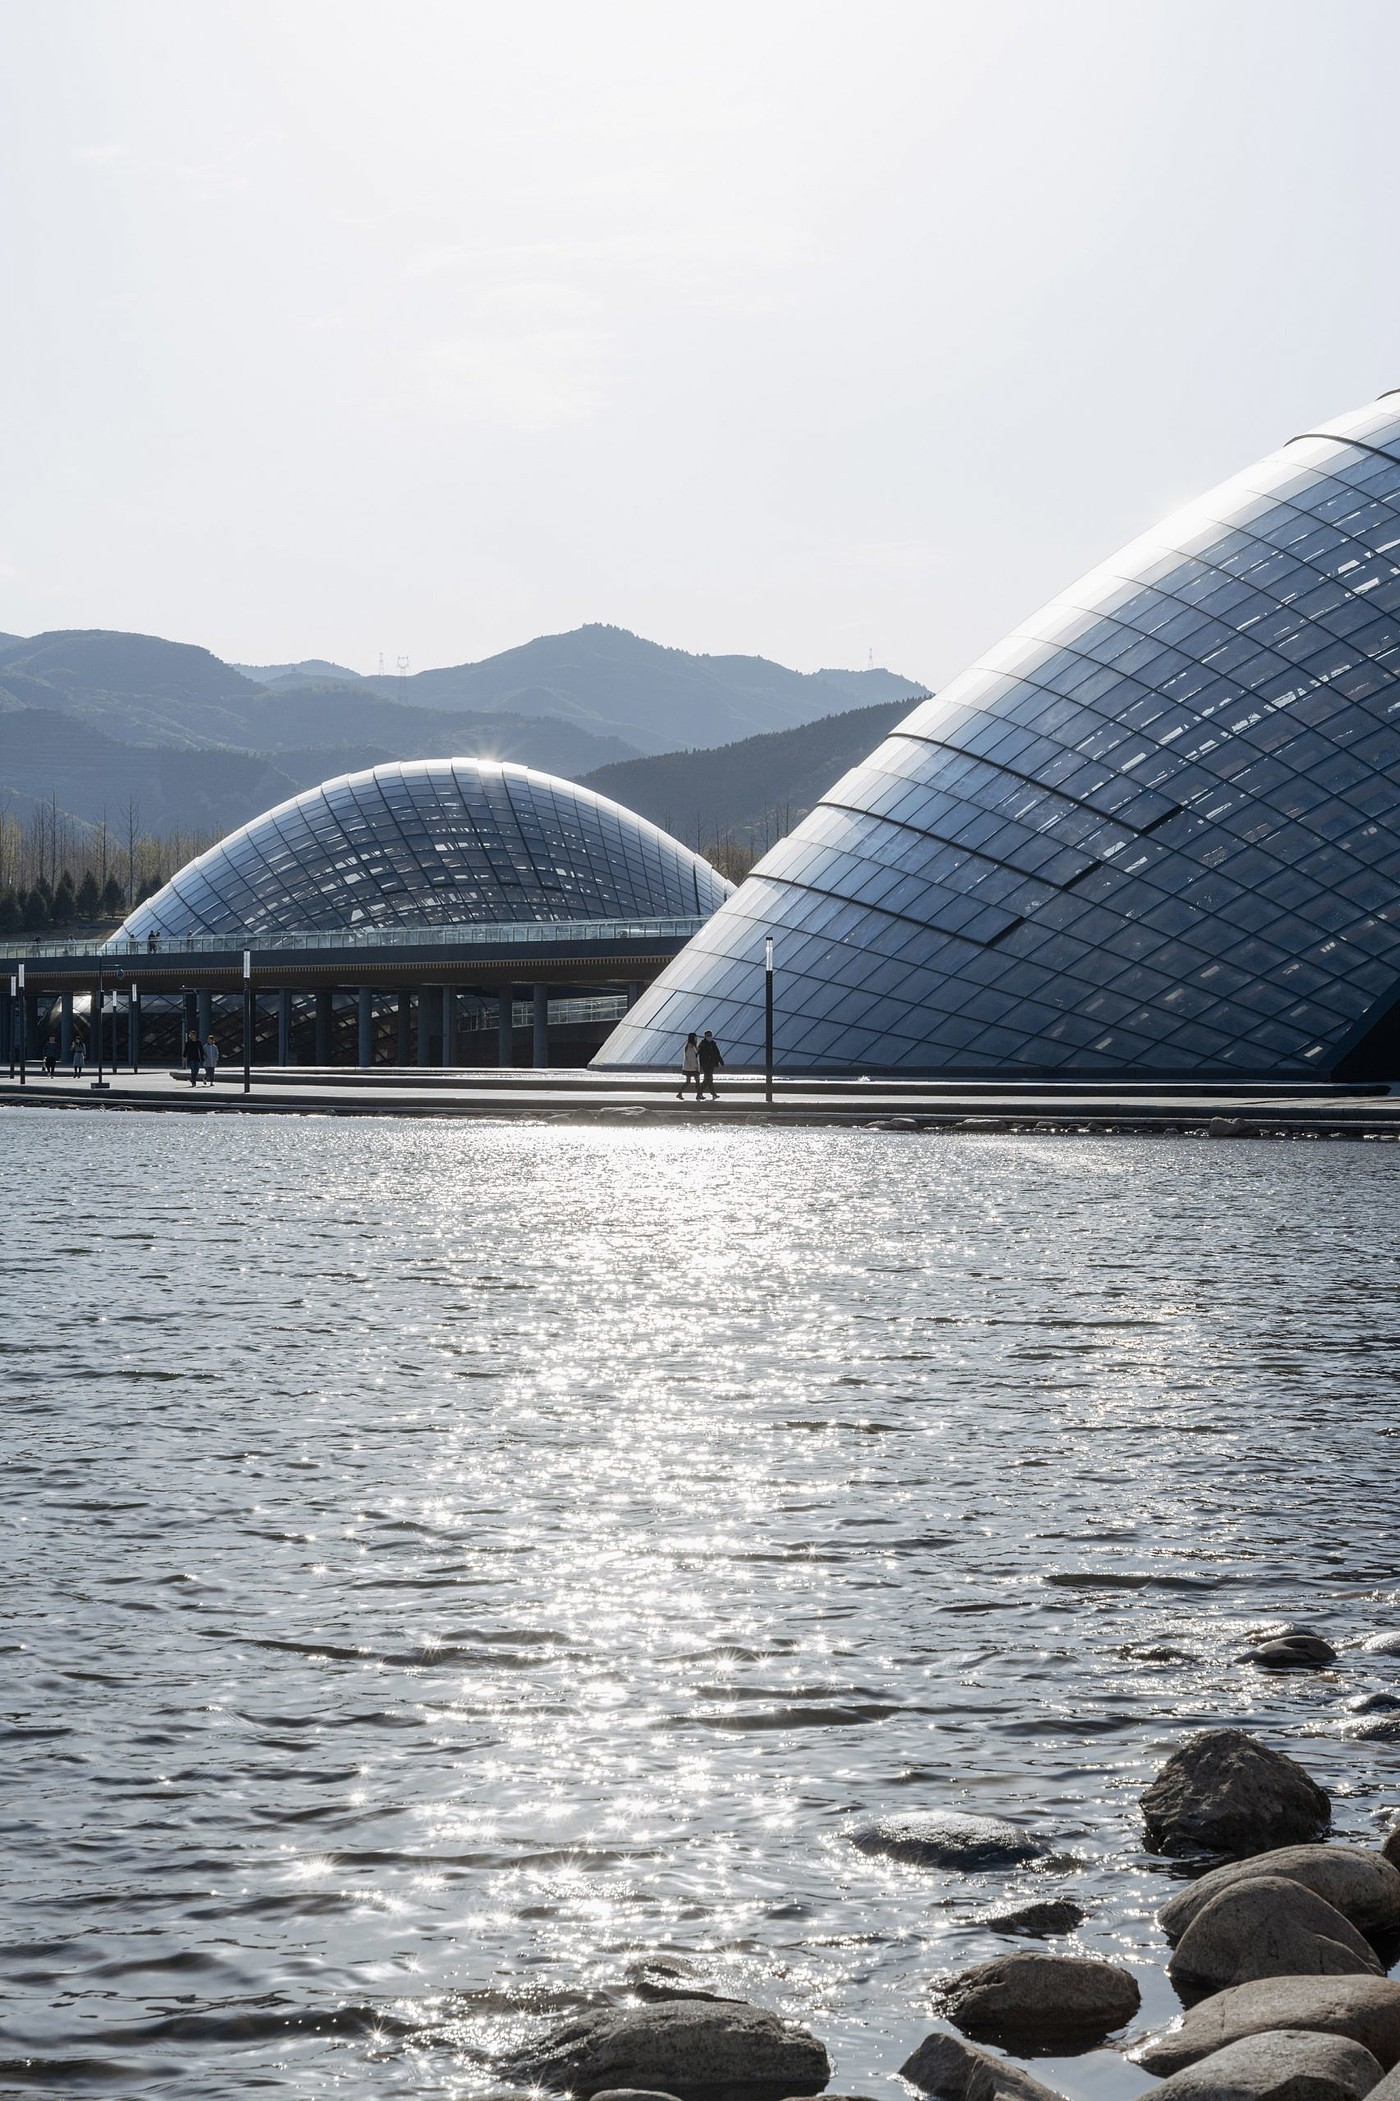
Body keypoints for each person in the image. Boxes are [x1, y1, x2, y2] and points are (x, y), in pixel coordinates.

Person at [697, 1028, 724, 1100]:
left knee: (707, 1079)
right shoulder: (702, 1044)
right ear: (705, 1036)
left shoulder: (713, 1044)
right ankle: (713, 1094)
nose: (709, 1037)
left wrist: (721, 1062)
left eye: (710, 1035)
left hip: (711, 1064)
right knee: (709, 1079)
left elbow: (717, 1053)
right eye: (708, 1035)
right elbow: (698, 1054)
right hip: (705, 1065)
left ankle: (699, 1093)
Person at [676, 1031, 701, 1100]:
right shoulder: (690, 1047)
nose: (696, 1039)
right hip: (691, 1068)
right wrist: (695, 1066)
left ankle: (680, 1093)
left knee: (690, 1081)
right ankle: (698, 1095)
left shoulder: (692, 1046)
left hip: (690, 1067)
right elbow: (691, 1058)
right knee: (696, 1081)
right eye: (695, 1037)